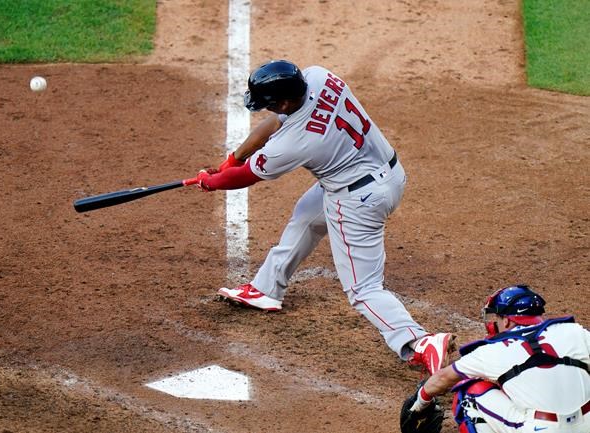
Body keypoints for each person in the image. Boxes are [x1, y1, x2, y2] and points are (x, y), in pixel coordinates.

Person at [193, 59, 454, 374]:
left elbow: (246, 177)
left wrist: (212, 181)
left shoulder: (294, 143)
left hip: (358, 200)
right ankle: (266, 289)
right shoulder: (318, 76)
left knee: (364, 290)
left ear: (287, 101)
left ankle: (420, 342)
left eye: (271, 103)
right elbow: (274, 124)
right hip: (387, 173)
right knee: (307, 215)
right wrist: (231, 160)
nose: (267, 109)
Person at [406, 284, 590, 433]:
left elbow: (442, 378)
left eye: (497, 318)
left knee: (469, 394)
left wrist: (419, 405)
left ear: (507, 321)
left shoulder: (491, 351)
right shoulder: (576, 332)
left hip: (540, 428)